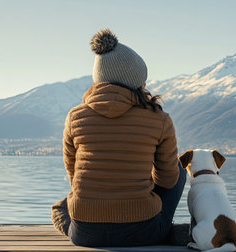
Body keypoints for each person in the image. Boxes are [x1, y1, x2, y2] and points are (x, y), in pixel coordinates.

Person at [51, 28, 187, 247]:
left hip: (85, 234)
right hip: (143, 232)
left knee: (61, 207)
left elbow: (73, 174)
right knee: (179, 171)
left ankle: (68, 222)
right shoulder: (159, 119)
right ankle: (167, 231)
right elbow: (168, 180)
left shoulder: (75, 117)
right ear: (137, 80)